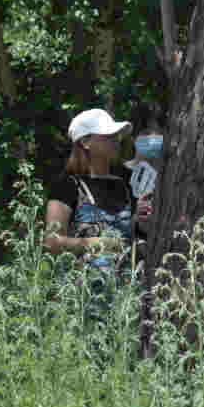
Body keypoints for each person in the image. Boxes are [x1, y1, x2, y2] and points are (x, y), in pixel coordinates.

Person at [44, 107, 140, 320]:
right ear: (86, 143)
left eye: (117, 136)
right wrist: (94, 243)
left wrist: (141, 220)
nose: (116, 140)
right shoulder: (67, 186)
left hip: (125, 304)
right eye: (108, 136)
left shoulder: (127, 183)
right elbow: (52, 242)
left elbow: (135, 236)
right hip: (82, 304)